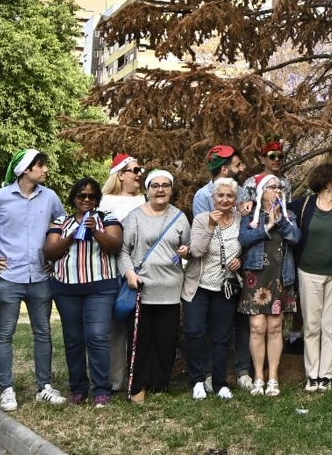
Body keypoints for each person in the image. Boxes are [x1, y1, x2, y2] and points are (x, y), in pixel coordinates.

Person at [0, 148, 67, 411]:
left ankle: (45, 387)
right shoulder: (0, 198)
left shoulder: (50, 197)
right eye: (41, 166)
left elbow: (63, 227)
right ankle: (6, 389)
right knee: (5, 334)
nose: (46, 170)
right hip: (9, 277)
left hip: (40, 277)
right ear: (26, 170)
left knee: (43, 332)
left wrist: (55, 254)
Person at [43, 177, 123, 407]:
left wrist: (95, 231)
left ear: (97, 199)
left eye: (91, 196)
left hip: (100, 287)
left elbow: (115, 246)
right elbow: (50, 251)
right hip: (66, 288)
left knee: (97, 337)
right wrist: (72, 234)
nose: (86, 199)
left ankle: (101, 390)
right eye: (81, 196)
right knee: (74, 339)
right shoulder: (62, 220)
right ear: (74, 199)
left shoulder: (107, 218)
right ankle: (78, 388)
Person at [118, 169, 191, 402]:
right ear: (147, 189)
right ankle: (138, 385)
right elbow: (122, 250)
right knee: (140, 340)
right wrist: (129, 273)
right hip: (142, 287)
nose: (161, 190)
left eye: (165, 185)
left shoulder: (179, 217)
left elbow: (188, 247)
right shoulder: (135, 217)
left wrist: (185, 252)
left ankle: (160, 384)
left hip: (170, 288)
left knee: (165, 340)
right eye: (155, 185)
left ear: (171, 189)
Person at [192, 143, 254, 390]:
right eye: (238, 165)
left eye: (230, 196)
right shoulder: (202, 197)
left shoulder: (242, 195)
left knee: (234, 325)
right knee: (202, 328)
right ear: (225, 169)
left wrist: (240, 258)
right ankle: (205, 375)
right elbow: (202, 237)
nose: (243, 168)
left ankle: (240, 371)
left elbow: (245, 233)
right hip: (206, 275)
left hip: (233, 277)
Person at [288, 162, 332, 392]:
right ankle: (311, 375)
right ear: (326, 182)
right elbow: (277, 209)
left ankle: (326, 376)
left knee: (331, 327)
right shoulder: (303, 205)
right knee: (312, 326)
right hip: (308, 274)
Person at [237, 174, 301, 396]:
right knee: (257, 327)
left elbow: (295, 238)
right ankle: (258, 377)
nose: (278, 191)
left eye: (280, 187)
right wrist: (267, 226)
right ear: (262, 191)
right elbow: (244, 239)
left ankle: (273, 377)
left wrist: (280, 222)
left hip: (280, 277)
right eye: (272, 187)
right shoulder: (250, 215)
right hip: (256, 277)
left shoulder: (289, 215)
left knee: (275, 328)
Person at [181, 177, 243, 401]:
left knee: (222, 337)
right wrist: (210, 225)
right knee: (194, 332)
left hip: (225, 288)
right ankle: (198, 380)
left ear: (235, 199)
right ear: (213, 198)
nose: (225, 199)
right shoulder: (201, 219)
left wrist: (241, 261)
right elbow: (196, 251)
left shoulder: (239, 219)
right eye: (220, 195)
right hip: (198, 286)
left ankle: (219, 382)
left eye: (229, 196)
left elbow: (244, 245)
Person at [99, 153, 146, 392]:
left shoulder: (143, 200)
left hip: (140, 268)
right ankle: (116, 379)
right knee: (115, 326)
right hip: (111, 268)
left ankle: (137, 376)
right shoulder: (105, 201)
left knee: (138, 324)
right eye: (135, 170)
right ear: (121, 175)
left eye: (140, 170)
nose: (140, 175)